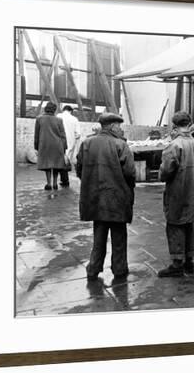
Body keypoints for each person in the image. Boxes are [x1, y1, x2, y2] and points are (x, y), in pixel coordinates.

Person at [76, 112, 136, 281]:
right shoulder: (120, 145)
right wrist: (128, 189)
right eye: (118, 126)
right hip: (117, 198)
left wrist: (91, 183)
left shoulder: (87, 143)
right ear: (111, 126)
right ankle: (119, 268)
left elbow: (79, 168)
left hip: (96, 198)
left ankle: (93, 268)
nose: (120, 129)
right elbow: (130, 173)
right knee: (119, 236)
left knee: (99, 235)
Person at [158, 111, 194, 277]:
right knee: (188, 225)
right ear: (189, 123)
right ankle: (189, 262)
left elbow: (165, 171)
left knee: (175, 225)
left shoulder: (174, 145)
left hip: (177, 193)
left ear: (174, 125)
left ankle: (177, 263)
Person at [34, 102, 67, 190]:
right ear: (54, 110)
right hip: (57, 145)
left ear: (45, 108)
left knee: (47, 164)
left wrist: (36, 147)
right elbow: (63, 135)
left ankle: (48, 183)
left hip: (44, 144)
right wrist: (64, 147)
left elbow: (36, 134)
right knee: (56, 164)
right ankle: (55, 183)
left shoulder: (39, 119)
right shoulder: (59, 120)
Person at [56, 105, 81, 188]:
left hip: (58, 142)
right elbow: (78, 134)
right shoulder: (74, 119)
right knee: (66, 161)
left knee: (58, 161)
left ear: (63, 110)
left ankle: (59, 180)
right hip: (70, 142)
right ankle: (65, 180)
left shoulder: (58, 116)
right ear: (71, 111)